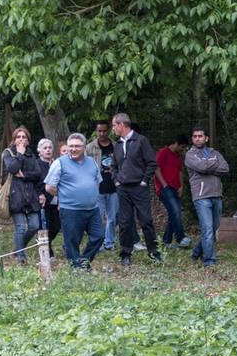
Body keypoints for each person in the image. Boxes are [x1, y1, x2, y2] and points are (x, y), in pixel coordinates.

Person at [45, 132, 105, 269]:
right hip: (71, 209)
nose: (73, 149)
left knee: (99, 236)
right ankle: (77, 266)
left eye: (77, 146)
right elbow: (49, 187)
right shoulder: (59, 163)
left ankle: (83, 261)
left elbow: (97, 181)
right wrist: (64, 196)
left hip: (92, 209)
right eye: (70, 146)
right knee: (72, 241)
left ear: (84, 147)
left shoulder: (92, 162)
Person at [110, 112, 161, 265]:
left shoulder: (141, 140)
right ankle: (125, 253)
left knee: (146, 220)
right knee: (125, 222)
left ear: (121, 125)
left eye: (114, 125)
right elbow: (113, 166)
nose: (113, 129)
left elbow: (152, 163)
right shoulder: (118, 144)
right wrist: (116, 180)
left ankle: (153, 252)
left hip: (139, 187)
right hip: (123, 188)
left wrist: (144, 181)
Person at [1, 126, 47, 263]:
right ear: (14, 140)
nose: (21, 139)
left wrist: (24, 175)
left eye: (24, 137)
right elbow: (12, 168)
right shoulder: (8, 153)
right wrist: (20, 154)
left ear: (28, 140)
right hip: (16, 196)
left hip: (31, 196)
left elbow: (38, 174)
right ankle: (21, 256)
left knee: (34, 225)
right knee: (20, 227)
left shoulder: (31, 155)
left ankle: (17, 248)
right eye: (18, 137)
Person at [185, 127, 230, 268]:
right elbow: (201, 167)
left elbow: (225, 168)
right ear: (192, 139)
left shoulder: (214, 152)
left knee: (214, 226)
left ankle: (197, 251)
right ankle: (209, 261)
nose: (198, 138)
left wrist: (207, 164)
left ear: (206, 138)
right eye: (195, 136)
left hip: (216, 194)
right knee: (208, 229)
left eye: (200, 136)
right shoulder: (190, 155)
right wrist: (213, 163)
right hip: (201, 196)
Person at [85, 120, 119, 251]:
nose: (102, 133)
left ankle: (109, 242)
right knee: (98, 216)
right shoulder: (90, 147)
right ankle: (98, 242)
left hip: (113, 186)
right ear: (96, 131)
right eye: (99, 131)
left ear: (109, 130)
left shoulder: (116, 146)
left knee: (112, 217)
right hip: (97, 187)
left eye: (105, 131)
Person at [155, 133, 191, 249]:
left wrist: (181, 186)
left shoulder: (177, 156)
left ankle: (166, 240)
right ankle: (180, 237)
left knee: (173, 213)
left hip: (175, 188)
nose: (183, 150)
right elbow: (156, 169)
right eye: (182, 147)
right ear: (176, 143)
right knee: (176, 211)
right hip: (165, 188)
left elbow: (180, 171)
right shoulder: (163, 152)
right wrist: (164, 185)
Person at [37, 138, 62, 257]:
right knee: (43, 227)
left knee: (56, 226)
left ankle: (47, 243)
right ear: (40, 151)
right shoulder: (36, 164)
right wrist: (39, 195)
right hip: (42, 201)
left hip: (56, 200)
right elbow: (35, 183)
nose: (47, 150)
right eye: (45, 148)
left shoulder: (57, 163)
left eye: (50, 148)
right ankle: (46, 252)